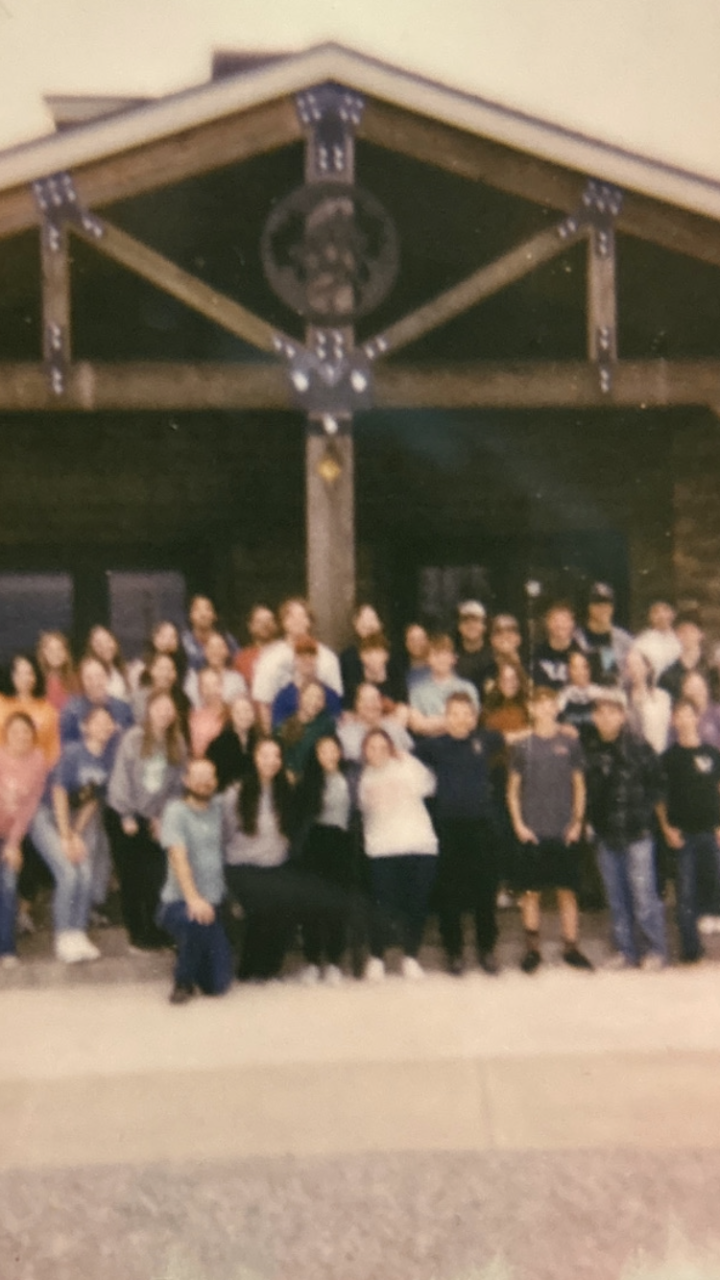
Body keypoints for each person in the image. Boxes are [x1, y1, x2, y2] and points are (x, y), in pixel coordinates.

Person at [223, 737, 340, 981]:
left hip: (276, 864)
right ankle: (249, 969)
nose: (271, 761)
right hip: (243, 866)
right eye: (265, 755)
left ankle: (269, 969)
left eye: (276, 756)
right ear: (255, 758)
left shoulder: (285, 789)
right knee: (263, 905)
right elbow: (224, 833)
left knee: (287, 903)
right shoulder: (237, 791)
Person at [506, 686, 592, 973]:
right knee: (531, 893)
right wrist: (519, 825)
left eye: (549, 703)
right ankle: (532, 950)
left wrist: (577, 823)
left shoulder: (570, 743)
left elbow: (579, 786)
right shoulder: (522, 746)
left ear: (557, 707)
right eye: (539, 703)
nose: (545, 708)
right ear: (531, 709)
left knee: (567, 892)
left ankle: (571, 948)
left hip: (564, 830)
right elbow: (512, 791)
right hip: (532, 831)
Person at [416, 692, 503, 975]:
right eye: (454, 713)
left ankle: (487, 949)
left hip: (481, 826)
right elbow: (402, 754)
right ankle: (454, 952)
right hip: (449, 826)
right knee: (450, 891)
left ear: (474, 718)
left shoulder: (485, 740)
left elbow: (513, 736)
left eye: (466, 714)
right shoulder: (434, 746)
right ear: (446, 716)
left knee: (485, 890)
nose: (460, 719)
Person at [584, 688, 667, 969]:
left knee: (644, 896)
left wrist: (644, 814)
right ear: (594, 718)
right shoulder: (590, 751)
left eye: (612, 712)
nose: (606, 718)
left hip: (637, 834)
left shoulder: (640, 747)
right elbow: (587, 792)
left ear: (622, 716)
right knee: (616, 897)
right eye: (601, 713)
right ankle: (625, 951)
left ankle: (654, 950)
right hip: (605, 835)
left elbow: (658, 786)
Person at [31, 705, 118, 963]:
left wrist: (77, 833)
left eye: (107, 722)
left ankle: (78, 934)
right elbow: (58, 792)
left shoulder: (108, 759)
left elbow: (93, 801)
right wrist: (66, 836)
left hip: (73, 820)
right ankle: (62, 937)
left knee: (85, 873)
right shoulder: (72, 752)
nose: (103, 726)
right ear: (85, 727)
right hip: (47, 816)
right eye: (97, 721)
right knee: (68, 872)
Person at [107, 691, 187, 950]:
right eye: (159, 707)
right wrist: (127, 815)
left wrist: (162, 817)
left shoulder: (177, 742)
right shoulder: (134, 738)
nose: (164, 713)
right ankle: (136, 933)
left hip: (154, 817)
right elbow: (121, 778)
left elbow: (177, 787)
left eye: (169, 708)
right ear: (149, 709)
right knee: (132, 877)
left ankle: (155, 929)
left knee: (155, 877)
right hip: (125, 814)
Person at [358, 728, 438, 980]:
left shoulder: (406, 765)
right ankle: (377, 958)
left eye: (383, 747)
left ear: (391, 748)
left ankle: (411, 957)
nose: (378, 752)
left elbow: (430, 787)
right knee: (382, 906)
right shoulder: (363, 777)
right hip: (382, 850)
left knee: (416, 905)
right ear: (364, 751)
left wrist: (409, 760)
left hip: (419, 846)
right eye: (372, 748)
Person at [157, 757, 233, 1003]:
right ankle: (182, 982)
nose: (204, 782)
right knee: (196, 922)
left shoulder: (219, 807)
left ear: (216, 781)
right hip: (179, 902)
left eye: (209, 777)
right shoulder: (175, 812)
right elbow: (178, 859)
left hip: (214, 903)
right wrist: (194, 899)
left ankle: (191, 951)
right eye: (198, 777)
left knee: (217, 986)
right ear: (186, 781)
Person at [658, 699, 720, 959]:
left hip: (710, 833)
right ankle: (691, 951)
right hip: (682, 835)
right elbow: (660, 798)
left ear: (697, 718)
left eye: (688, 714)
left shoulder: (712, 754)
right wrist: (666, 829)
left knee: (715, 887)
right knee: (686, 894)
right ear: (673, 721)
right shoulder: (668, 758)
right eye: (679, 715)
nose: (684, 719)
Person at [295, 734, 357, 984]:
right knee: (312, 904)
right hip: (315, 842)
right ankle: (312, 962)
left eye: (333, 750)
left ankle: (333, 962)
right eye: (323, 751)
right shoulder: (308, 780)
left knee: (337, 903)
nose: (329, 756)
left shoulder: (350, 776)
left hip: (342, 842)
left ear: (340, 752)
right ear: (316, 756)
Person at [252, 597, 342, 733]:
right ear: (283, 622)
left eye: (302, 616)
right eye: (291, 616)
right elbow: (264, 705)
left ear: (309, 621)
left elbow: (335, 705)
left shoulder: (328, 658)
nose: (297, 620)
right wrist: (271, 738)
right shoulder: (268, 658)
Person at [0, 714, 47, 967]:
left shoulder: (38, 759)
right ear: (6, 734)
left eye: (26, 731)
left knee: (8, 884)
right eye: (15, 731)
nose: (21, 736)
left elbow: (29, 806)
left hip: (12, 834)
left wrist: (13, 844)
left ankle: (6, 949)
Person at [408, 634, 479, 737]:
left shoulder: (468, 688)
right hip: (431, 743)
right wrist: (456, 720)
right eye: (436, 655)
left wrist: (431, 722)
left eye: (445, 654)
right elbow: (418, 725)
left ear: (453, 658)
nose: (441, 659)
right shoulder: (417, 691)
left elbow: (472, 723)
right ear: (428, 659)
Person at [0, 652, 60, 766]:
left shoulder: (47, 711)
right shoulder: (1, 703)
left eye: (29, 673)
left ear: (36, 676)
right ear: (11, 675)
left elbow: (53, 751)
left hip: (35, 771)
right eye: (19, 673)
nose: (24, 678)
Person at [270, 637, 343, 729]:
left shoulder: (330, 694)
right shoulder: (283, 697)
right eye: (302, 657)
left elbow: (337, 724)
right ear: (295, 660)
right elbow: (278, 730)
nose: (307, 661)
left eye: (311, 656)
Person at [60, 656, 133, 745]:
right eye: (88, 678)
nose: (95, 682)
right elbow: (67, 745)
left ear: (107, 677)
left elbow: (130, 743)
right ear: (82, 681)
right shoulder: (72, 712)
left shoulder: (123, 709)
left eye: (99, 676)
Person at [278, 679, 337, 780]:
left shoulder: (327, 726)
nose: (314, 702)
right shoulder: (285, 726)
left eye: (319, 698)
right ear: (300, 697)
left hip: (317, 780)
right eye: (310, 696)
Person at [575, 582, 633, 682]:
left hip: (616, 690)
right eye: (597, 604)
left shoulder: (624, 640)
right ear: (589, 607)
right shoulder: (576, 638)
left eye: (607, 604)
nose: (603, 609)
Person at [131, 651, 191, 740]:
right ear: (151, 671)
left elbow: (184, 732)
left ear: (175, 674)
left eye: (170, 669)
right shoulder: (138, 698)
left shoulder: (182, 699)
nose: (165, 674)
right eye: (161, 669)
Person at [623, 647, 672, 755]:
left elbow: (665, 729)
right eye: (629, 666)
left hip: (658, 753)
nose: (634, 670)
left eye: (637, 665)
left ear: (647, 667)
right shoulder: (622, 699)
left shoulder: (662, 697)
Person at [206, 694, 260, 792]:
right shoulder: (218, 744)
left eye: (247, 710)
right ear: (230, 715)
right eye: (238, 712)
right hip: (224, 792)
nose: (243, 715)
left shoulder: (260, 741)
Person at [184, 631, 247, 710]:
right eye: (211, 647)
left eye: (219, 647)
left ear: (227, 651)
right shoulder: (194, 679)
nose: (215, 651)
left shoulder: (236, 679)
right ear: (205, 651)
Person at [181, 595, 238, 672]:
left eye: (207, 609)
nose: (203, 614)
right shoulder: (183, 641)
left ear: (215, 615)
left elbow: (238, 662)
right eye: (197, 609)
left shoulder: (226, 639)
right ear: (190, 615)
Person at [659, 613, 708, 702]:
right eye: (683, 631)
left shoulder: (712, 671)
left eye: (692, 631)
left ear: (701, 634)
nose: (687, 635)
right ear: (676, 635)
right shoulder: (668, 677)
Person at [557, 650, 604, 743]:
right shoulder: (563, 695)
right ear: (569, 670)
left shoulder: (601, 694)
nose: (580, 672)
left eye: (584, 667)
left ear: (590, 669)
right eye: (575, 667)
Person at [531, 603, 580, 691]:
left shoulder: (583, 653)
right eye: (555, 620)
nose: (560, 625)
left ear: (572, 623)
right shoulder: (536, 655)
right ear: (547, 623)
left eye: (565, 620)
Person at [454, 600, 494, 698]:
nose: (471, 625)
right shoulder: (451, 658)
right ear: (459, 626)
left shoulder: (494, 657)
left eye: (476, 621)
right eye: (466, 621)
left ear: (484, 626)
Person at [634, 599, 681, 679]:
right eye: (656, 612)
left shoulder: (681, 639)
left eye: (665, 610)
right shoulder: (642, 642)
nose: (661, 615)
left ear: (673, 614)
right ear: (649, 617)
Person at [233, 604, 278, 688]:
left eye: (269, 620)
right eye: (259, 621)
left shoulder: (286, 652)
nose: (265, 624)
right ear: (251, 626)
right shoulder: (242, 658)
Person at [188, 668, 228, 760]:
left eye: (214, 684)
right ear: (199, 690)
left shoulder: (231, 714)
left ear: (221, 686)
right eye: (205, 686)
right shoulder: (193, 716)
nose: (211, 690)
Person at [84, 626, 131, 703]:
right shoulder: (90, 671)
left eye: (108, 641)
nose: (104, 646)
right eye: (98, 644)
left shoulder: (120, 668)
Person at [36, 631, 78, 713]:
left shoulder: (75, 681)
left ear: (66, 653)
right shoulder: (37, 684)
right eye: (51, 650)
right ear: (43, 654)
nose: (55, 653)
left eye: (59, 649)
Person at [402, 623, 431, 695]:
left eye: (420, 639)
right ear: (406, 643)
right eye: (412, 639)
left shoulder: (437, 668)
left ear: (427, 641)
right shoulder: (401, 673)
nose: (416, 643)